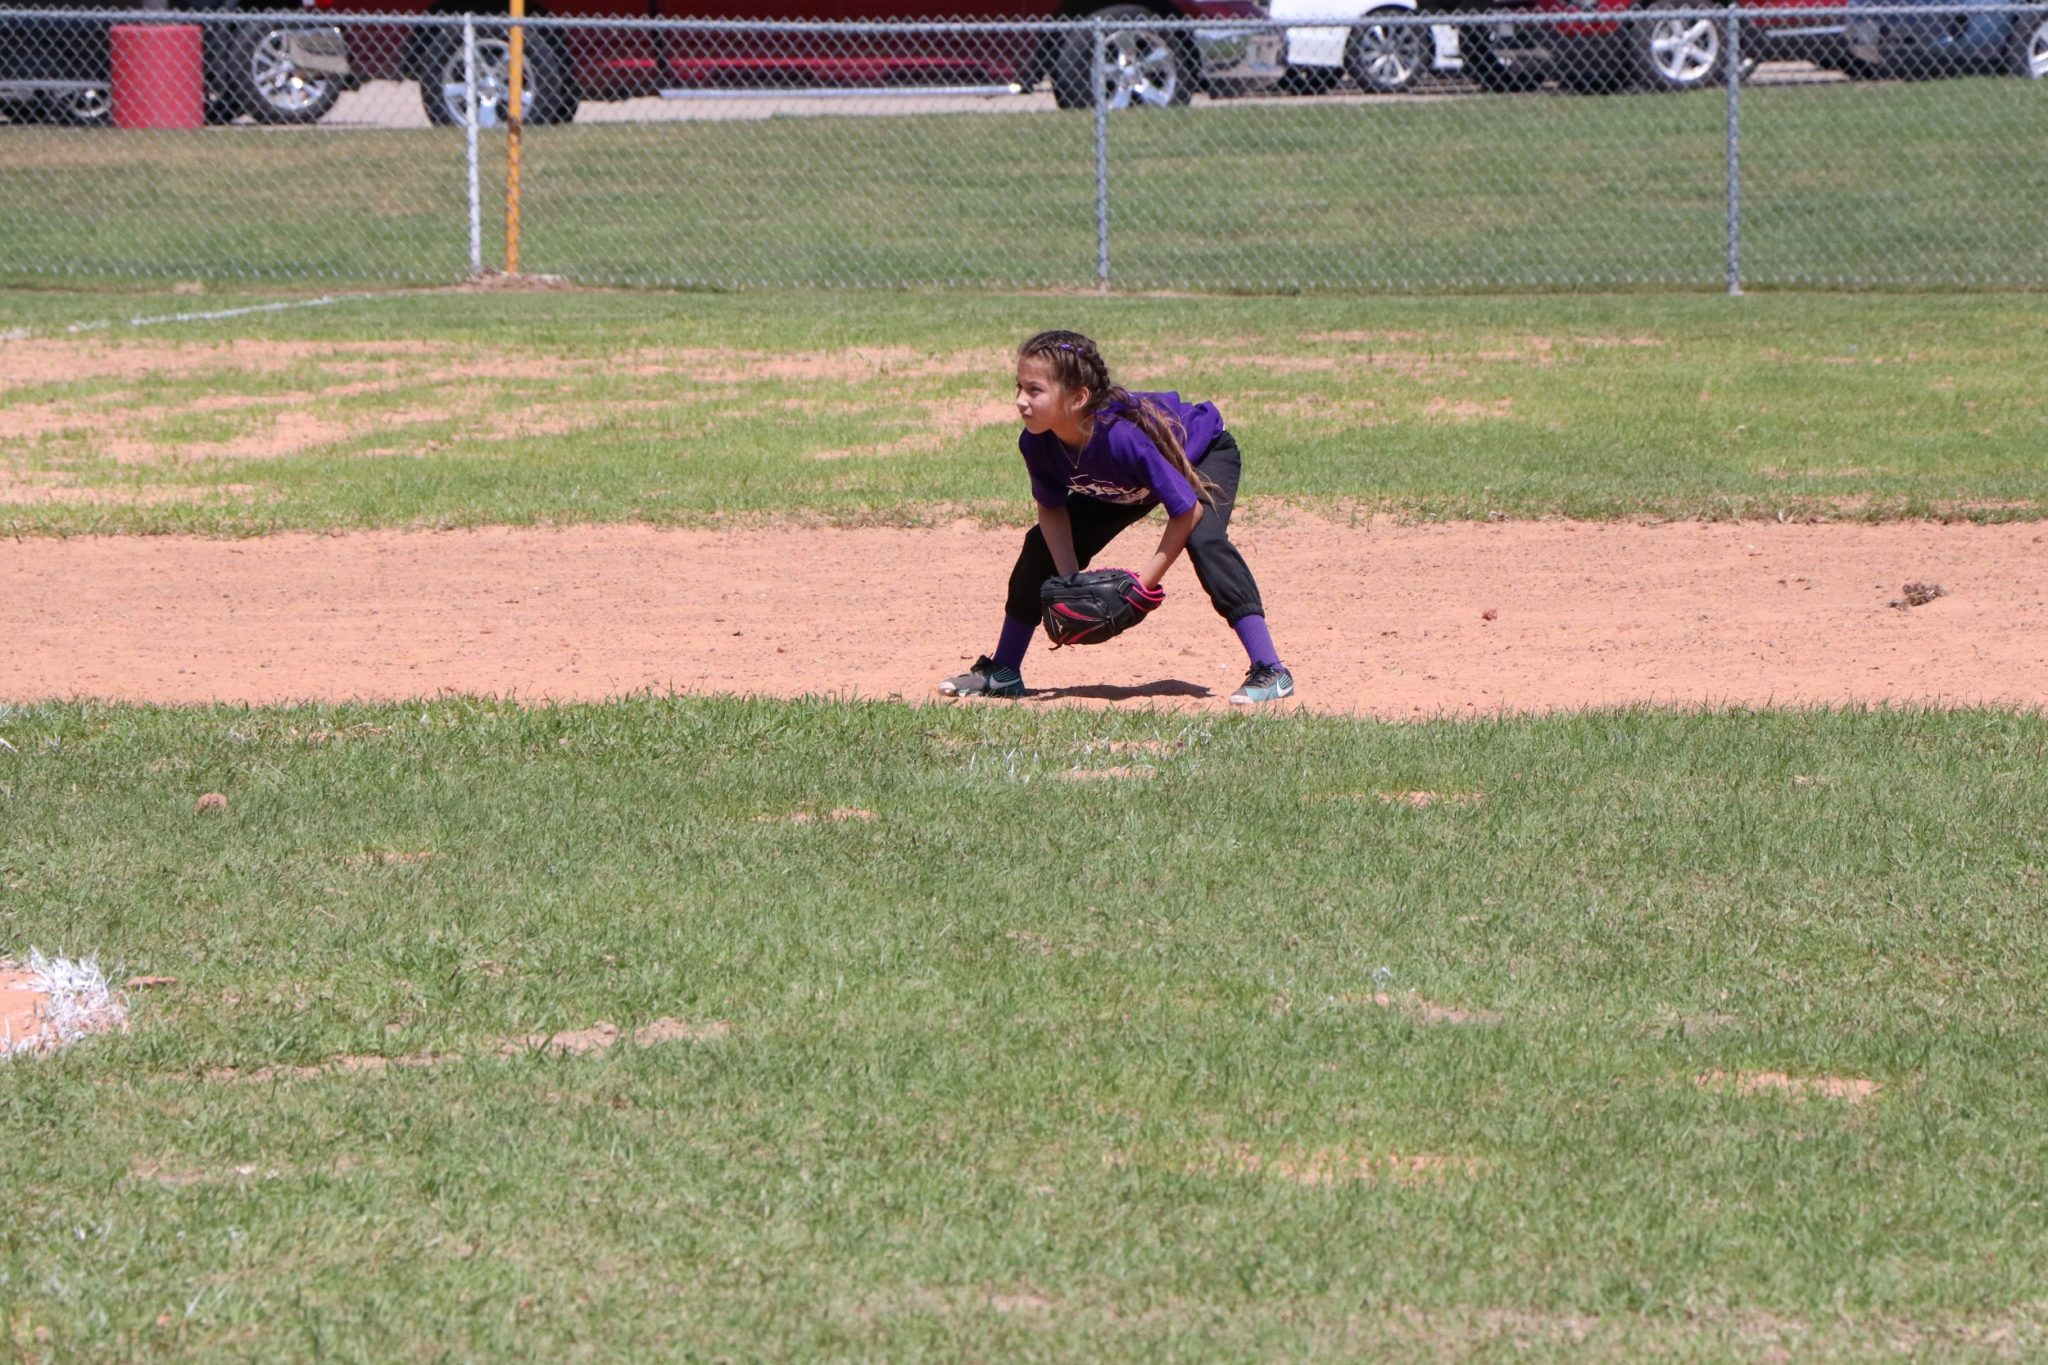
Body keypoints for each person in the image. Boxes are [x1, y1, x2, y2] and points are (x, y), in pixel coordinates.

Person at [940, 329, 1294, 706]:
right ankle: (1004, 671)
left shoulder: (1122, 438)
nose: (1020, 401)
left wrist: (1142, 588)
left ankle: (1271, 669)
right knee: (1038, 545)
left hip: (1198, 454)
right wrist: (1069, 580)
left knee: (1204, 539)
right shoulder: (1037, 442)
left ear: (1078, 397)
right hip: (1119, 484)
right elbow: (1051, 508)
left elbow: (1185, 510)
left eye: (1034, 390)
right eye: (1019, 388)